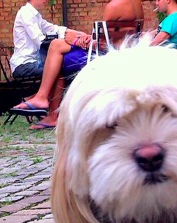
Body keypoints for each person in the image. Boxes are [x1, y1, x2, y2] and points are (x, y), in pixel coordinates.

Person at [13, 0, 144, 130]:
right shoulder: (137, 5)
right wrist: (84, 38)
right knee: (58, 46)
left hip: (107, 56)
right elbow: (108, 39)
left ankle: (47, 105)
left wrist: (77, 41)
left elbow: (102, 44)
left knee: (58, 54)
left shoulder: (114, 6)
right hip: (122, 52)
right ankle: (44, 102)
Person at [10, 0, 89, 80]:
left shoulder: (35, 16)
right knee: (60, 68)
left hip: (33, 63)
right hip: (23, 65)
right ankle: (47, 93)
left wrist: (80, 34)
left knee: (63, 65)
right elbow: (40, 41)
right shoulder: (25, 13)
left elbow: (53, 28)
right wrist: (71, 41)